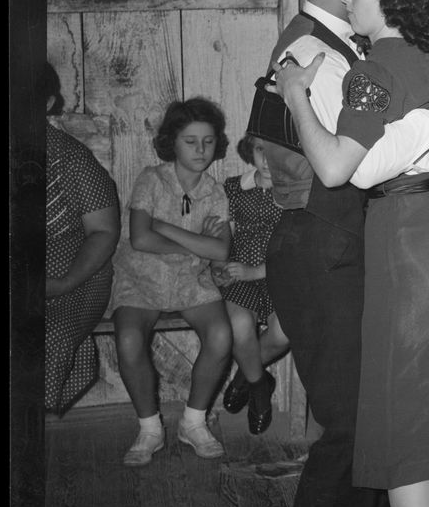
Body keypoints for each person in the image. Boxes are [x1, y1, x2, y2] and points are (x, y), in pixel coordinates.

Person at [262, 0, 429, 507]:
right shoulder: (314, 48)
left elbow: (347, 164)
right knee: (390, 426)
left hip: (395, 245)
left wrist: (300, 96)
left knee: (386, 433)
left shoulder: (366, 61)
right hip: (341, 242)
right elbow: (354, 163)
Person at [110, 97, 233, 465]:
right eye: (190, 141)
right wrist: (196, 244)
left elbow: (222, 252)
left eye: (208, 141)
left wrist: (163, 226)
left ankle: (193, 422)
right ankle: (150, 429)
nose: (200, 150)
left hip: (190, 280)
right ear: (172, 143)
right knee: (129, 339)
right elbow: (140, 239)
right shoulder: (151, 178)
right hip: (140, 277)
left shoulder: (215, 193)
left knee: (221, 336)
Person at [42, 63, 121, 416]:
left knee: (48, 339)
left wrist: (62, 283)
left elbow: (103, 233)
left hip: (76, 274)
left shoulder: (70, 158)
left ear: (47, 103)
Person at [214, 135, 288, 435]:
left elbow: (300, 247)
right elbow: (222, 236)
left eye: (277, 151)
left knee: (284, 332)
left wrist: (258, 271)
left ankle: (246, 376)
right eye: (261, 150)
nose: (268, 160)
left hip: (280, 273)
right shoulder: (233, 187)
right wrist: (219, 268)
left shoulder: (297, 192)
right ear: (250, 151)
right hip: (238, 270)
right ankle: (259, 389)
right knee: (239, 326)